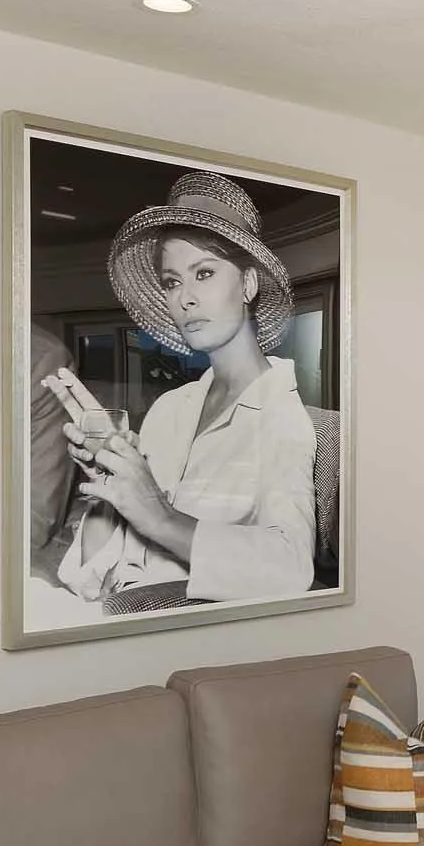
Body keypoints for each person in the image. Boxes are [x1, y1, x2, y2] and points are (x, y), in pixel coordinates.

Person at [55, 170, 315, 614]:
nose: (184, 299)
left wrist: (161, 517)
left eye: (205, 273)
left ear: (249, 284)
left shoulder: (280, 416)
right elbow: (91, 582)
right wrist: (107, 486)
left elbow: (290, 569)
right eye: (173, 281)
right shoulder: (170, 410)